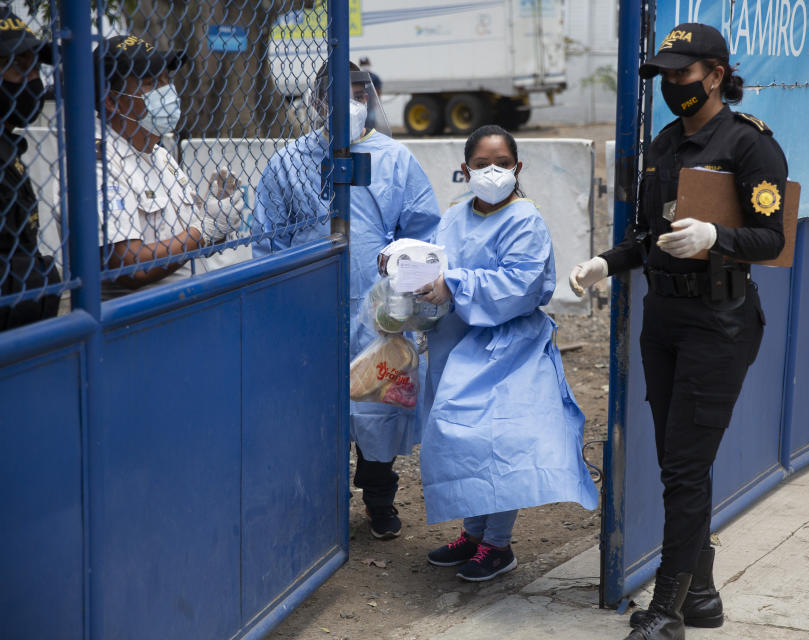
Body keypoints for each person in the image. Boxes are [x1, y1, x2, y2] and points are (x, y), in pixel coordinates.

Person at [569, 23, 788, 640]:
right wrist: (605, 262)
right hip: (664, 321)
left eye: (682, 73)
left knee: (684, 469)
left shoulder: (750, 145)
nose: (671, 84)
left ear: (715, 75)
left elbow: (773, 239)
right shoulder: (665, 144)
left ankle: (666, 611)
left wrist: (718, 237)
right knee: (678, 461)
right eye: (663, 75)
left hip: (719, 323)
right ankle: (702, 596)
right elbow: (648, 236)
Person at [253, 61, 441, 539]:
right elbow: (265, 239)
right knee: (314, 406)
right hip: (307, 308)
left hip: (379, 310)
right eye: (340, 94)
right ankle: (321, 502)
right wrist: (281, 307)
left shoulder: (395, 160)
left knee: (378, 404)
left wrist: (405, 288)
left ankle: (379, 499)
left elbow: (422, 233)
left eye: (361, 93)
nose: (353, 103)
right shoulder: (288, 162)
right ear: (317, 102)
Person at [415, 125, 598, 582]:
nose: (492, 172)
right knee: (464, 438)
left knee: (499, 443)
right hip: (458, 343)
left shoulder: (525, 220)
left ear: (518, 168)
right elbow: (437, 262)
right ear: (465, 170)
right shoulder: (455, 216)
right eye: (481, 165)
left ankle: (498, 544)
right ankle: (473, 533)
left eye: (501, 164)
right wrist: (406, 267)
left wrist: (453, 285)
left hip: (508, 345)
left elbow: (518, 286)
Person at [94, 35, 243, 299]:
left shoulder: (160, 155)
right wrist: (203, 232)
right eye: (151, 83)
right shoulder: (100, 164)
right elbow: (130, 266)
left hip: (191, 311)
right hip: (142, 326)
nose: (166, 92)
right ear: (111, 101)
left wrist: (216, 219)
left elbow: (190, 237)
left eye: (167, 80)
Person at [0, 5, 61, 330]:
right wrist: (46, 277)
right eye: (16, 66)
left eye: (35, 66)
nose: (32, 79)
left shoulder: (9, 146)